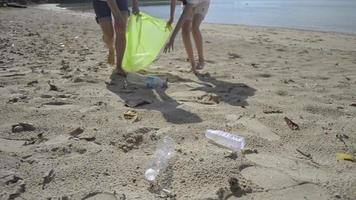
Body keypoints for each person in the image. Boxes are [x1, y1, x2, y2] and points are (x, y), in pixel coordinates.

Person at [93, 0, 140, 76]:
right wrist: (118, 16)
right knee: (109, 36)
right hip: (100, 1)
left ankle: (119, 66)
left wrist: (135, 4)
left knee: (121, 29)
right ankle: (111, 49)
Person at [164, 0, 210, 74]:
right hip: (188, 3)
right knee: (184, 31)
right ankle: (193, 65)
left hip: (202, 3)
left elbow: (182, 17)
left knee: (194, 28)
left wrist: (171, 39)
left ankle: (201, 60)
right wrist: (171, 17)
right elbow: (173, 1)